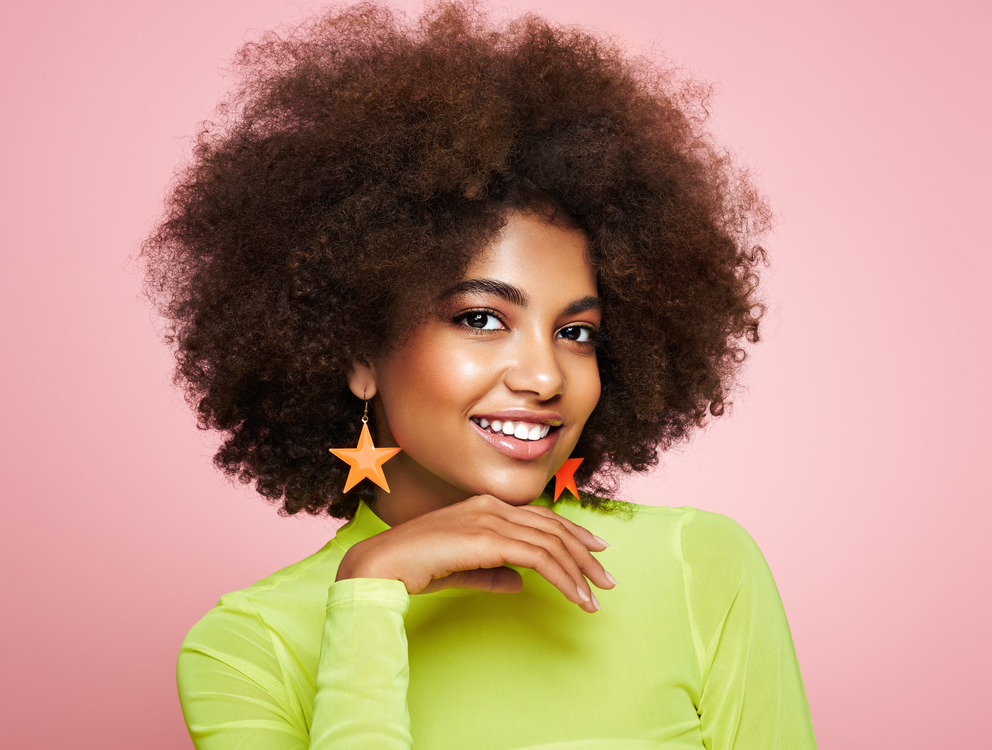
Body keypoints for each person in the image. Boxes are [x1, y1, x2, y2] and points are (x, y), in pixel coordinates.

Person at [142, 2, 817, 747]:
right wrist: (367, 601)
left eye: (576, 332)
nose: (543, 376)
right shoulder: (250, 647)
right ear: (359, 354)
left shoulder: (699, 569)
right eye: (481, 319)